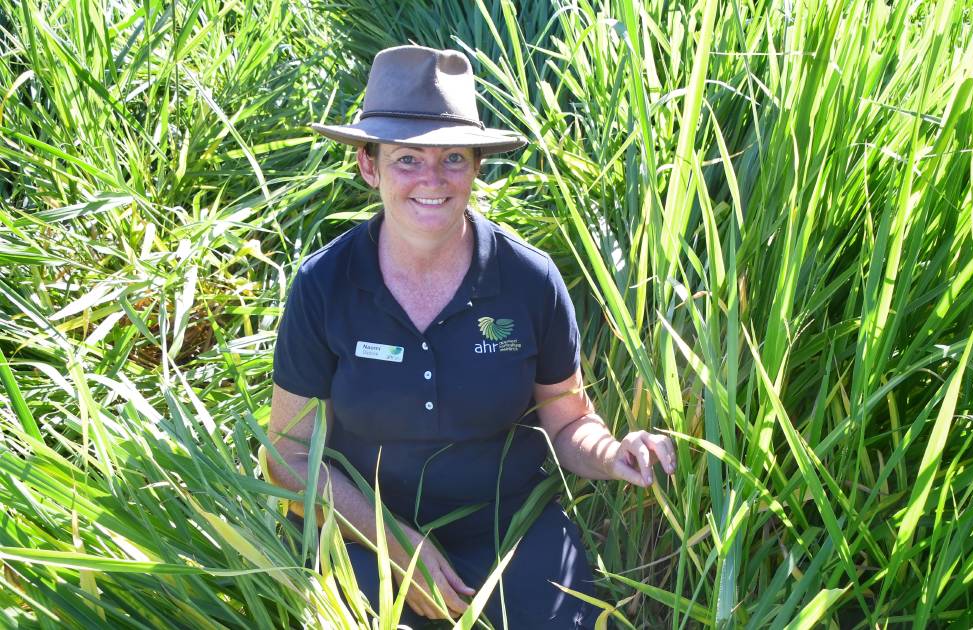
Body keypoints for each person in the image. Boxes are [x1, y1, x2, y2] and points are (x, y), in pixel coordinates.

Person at [264, 45, 676, 629]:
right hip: (361, 532)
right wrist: (396, 546)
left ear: (477, 166)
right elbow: (288, 453)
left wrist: (614, 455)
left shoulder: (529, 280)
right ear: (368, 164)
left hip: (509, 526)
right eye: (408, 159)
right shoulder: (326, 285)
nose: (433, 180)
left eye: (453, 157)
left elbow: (566, 418)